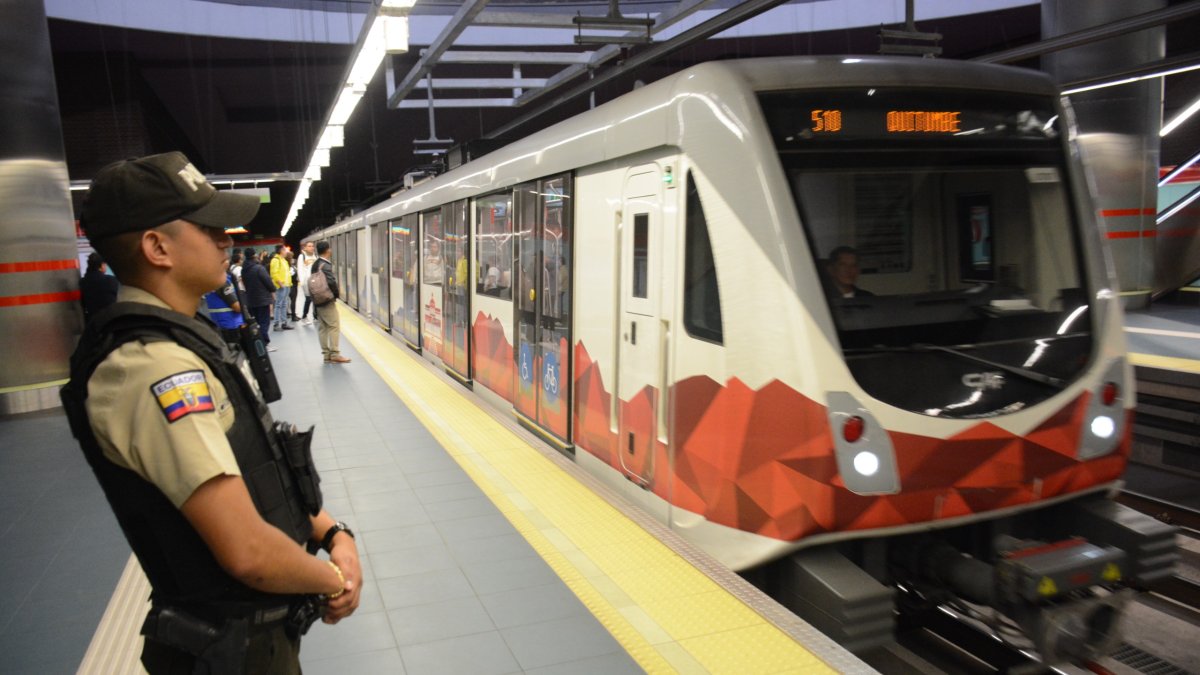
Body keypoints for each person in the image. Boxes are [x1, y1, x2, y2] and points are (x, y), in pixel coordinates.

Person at [59, 151, 361, 674]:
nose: (228, 240)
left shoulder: (187, 339)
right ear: (157, 247)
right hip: (227, 655)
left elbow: (257, 469)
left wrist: (334, 534)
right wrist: (336, 580)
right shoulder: (151, 368)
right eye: (209, 229)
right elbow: (247, 550)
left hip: (247, 641)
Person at [312, 241, 350, 364]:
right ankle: (335, 354)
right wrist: (336, 295)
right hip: (326, 300)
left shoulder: (315, 264)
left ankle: (326, 355)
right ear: (328, 250)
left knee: (323, 327)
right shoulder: (326, 265)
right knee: (334, 326)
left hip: (317, 300)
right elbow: (331, 282)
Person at [203, 258, 245, 346]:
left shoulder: (208, 279)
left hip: (218, 323)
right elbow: (236, 307)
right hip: (231, 323)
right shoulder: (222, 281)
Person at [242, 249, 278, 352]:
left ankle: (258, 344)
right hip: (262, 300)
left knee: (257, 323)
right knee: (264, 322)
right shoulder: (259, 268)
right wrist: (273, 290)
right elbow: (268, 282)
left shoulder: (244, 269)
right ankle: (264, 344)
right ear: (254, 255)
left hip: (251, 300)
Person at [80, 251, 119, 321]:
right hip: (111, 320)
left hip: (93, 321)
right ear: (102, 265)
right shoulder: (110, 280)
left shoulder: (82, 282)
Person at [269, 244, 294, 332]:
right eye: (284, 250)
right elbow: (274, 273)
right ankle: (276, 324)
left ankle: (284, 323)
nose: (286, 251)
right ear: (281, 251)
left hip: (287, 285)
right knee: (278, 305)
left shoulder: (284, 260)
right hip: (281, 286)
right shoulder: (275, 260)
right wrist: (280, 283)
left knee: (284, 304)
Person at [296, 241, 318, 325]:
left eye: (312, 246)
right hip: (306, 282)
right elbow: (300, 269)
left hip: (315, 281)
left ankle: (315, 316)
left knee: (316, 299)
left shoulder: (315, 256)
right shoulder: (302, 256)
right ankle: (304, 316)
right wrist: (302, 282)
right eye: (309, 246)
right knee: (308, 299)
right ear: (305, 248)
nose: (311, 248)